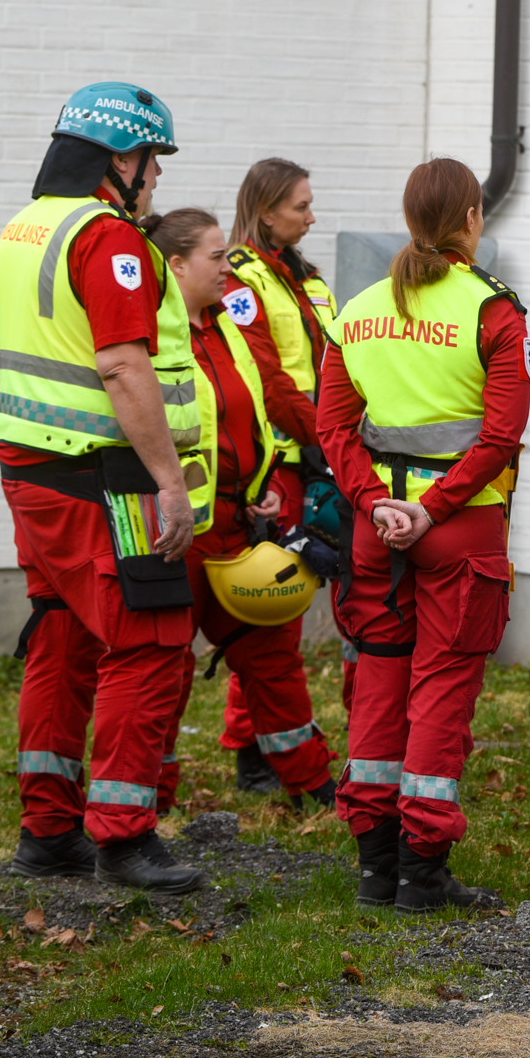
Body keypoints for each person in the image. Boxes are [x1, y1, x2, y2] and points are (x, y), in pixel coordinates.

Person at [0, 82, 209, 892]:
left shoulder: (25, 227)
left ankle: (48, 831)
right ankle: (123, 833)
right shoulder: (107, 238)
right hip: (101, 476)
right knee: (149, 641)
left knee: (63, 634)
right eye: (153, 162)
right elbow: (121, 364)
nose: (156, 180)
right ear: (121, 157)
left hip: (29, 468)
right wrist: (168, 484)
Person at [320, 158, 528, 913]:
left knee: (376, 682)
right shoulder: (493, 310)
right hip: (458, 529)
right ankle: (423, 872)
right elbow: (502, 436)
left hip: (377, 530)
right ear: (473, 217)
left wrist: (377, 504)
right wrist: (433, 510)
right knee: (440, 687)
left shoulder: (358, 310)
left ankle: (376, 867)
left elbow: (333, 428)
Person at [140, 208, 339, 814]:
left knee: (274, 653)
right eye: (216, 256)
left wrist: (270, 482)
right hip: (175, 533)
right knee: (165, 672)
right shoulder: (151, 334)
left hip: (240, 523)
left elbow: (261, 403)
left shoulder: (227, 325)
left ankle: (311, 784)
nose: (228, 267)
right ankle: (153, 799)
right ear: (176, 266)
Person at [215, 159, 343, 797]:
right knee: (274, 601)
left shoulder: (307, 278)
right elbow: (265, 378)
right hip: (284, 460)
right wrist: (329, 437)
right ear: (267, 212)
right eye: (301, 206)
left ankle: (255, 747)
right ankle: (257, 755)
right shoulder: (240, 279)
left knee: (278, 603)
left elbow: (335, 364)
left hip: (316, 451)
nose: (312, 216)